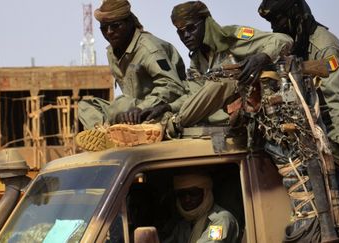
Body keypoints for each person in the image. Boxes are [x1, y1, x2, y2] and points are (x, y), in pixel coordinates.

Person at [106, 1, 293, 145]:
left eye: (191, 28)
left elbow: (283, 39)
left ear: (206, 23)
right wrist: (167, 107)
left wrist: (261, 57)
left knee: (222, 83)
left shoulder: (233, 37)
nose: (186, 36)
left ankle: (169, 126)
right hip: (212, 118)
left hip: (243, 113)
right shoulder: (197, 60)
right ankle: (161, 122)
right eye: (180, 32)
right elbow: (194, 95)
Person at [258, 0, 339, 165]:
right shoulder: (291, 43)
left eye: (278, 20)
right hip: (313, 125)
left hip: (338, 127)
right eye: (270, 22)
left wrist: (338, 148)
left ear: (295, 15)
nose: (274, 27)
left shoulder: (324, 47)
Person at [75, 0, 187, 151]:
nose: (109, 32)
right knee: (86, 105)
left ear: (128, 22)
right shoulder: (113, 51)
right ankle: (105, 134)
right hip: (131, 112)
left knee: (120, 104)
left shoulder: (148, 49)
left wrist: (140, 108)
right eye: (104, 28)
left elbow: (172, 86)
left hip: (157, 110)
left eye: (115, 26)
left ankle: (135, 131)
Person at [163, 173, 240, 243]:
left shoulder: (221, 219)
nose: (187, 199)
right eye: (182, 194)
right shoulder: (184, 224)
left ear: (205, 193)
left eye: (193, 193)